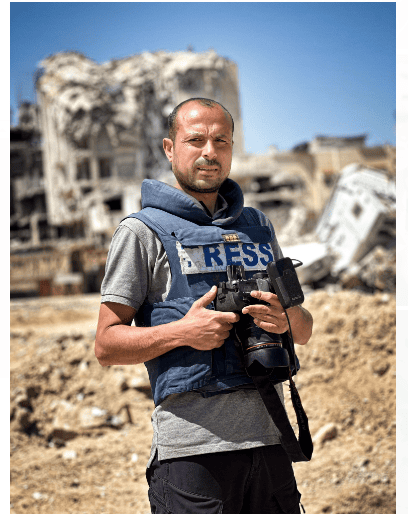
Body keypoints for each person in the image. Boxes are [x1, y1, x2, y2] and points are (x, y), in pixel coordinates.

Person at [95, 97, 313, 514]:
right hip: (192, 456)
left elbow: (304, 329)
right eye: (195, 140)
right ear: (169, 148)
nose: (209, 152)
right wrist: (183, 332)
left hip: (270, 443)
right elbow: (106, 345)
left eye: (221, 141)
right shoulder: (141, 232)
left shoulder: (258, 227)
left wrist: (284, 319)